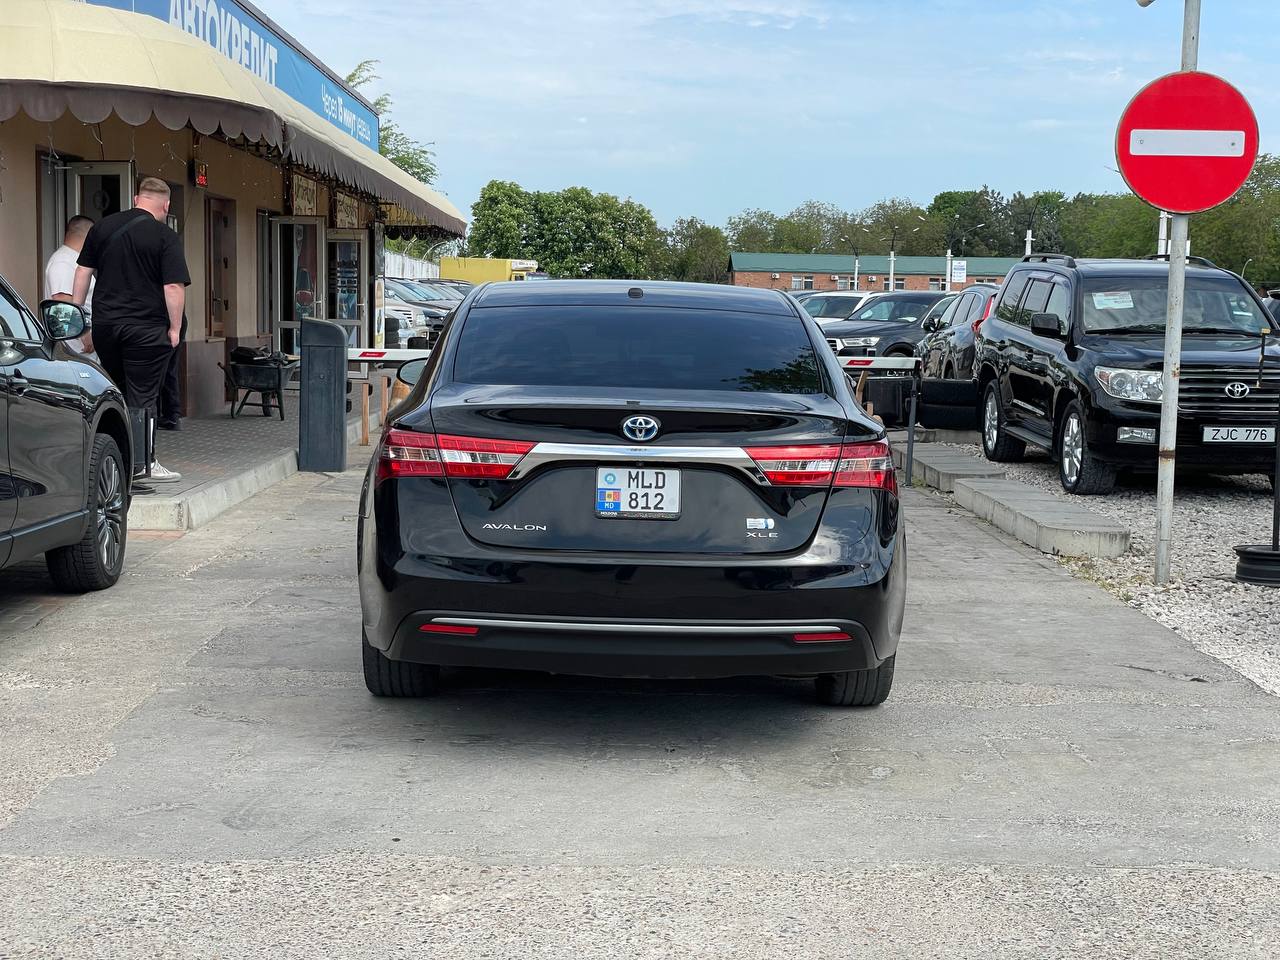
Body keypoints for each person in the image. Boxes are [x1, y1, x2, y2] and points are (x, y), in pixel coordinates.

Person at [72, 177, 188, 484]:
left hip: (106, 327)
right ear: (165, 205)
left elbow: (83, 271)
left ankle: (118, 460)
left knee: (120, 391)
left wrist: (76, 316)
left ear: (136, 198)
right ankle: (142, 463)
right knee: (143, 396)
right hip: (147, 330)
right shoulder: (164, 236)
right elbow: (173, 286)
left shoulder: (103, 227)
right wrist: (175, 328)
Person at [44, 215, 98, 360]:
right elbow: (62, 301)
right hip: (75, 351)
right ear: (89, 236)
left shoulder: (73, 260)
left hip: (81, 350)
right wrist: (85, 335)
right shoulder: (63, 261)